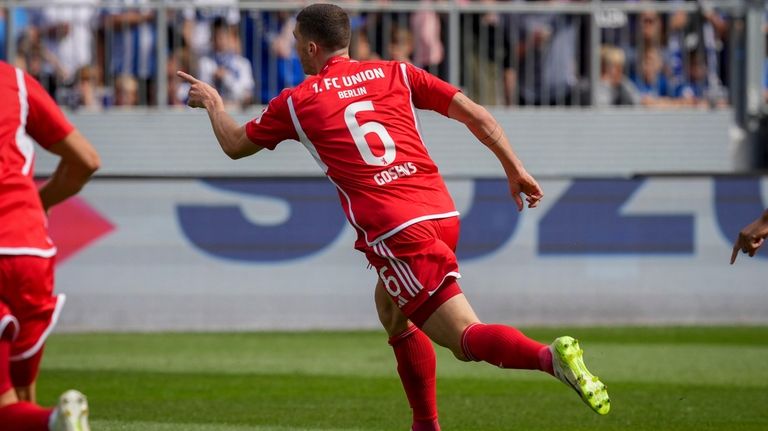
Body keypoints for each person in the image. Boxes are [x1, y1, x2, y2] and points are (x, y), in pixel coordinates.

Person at [178, 3, 610, 429]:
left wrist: (214, 103)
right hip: (440, 212)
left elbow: (235, 144)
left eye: (295, 43)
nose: (294, 50)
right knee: (390, 307)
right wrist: (515, 168)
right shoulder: (395, 72)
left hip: (397, 230)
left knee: (463, 338)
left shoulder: (297, 101)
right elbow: (477, 114)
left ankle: (548, 358)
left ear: (311, 47)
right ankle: (425, 424)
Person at [0, 60, 99, 430]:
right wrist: (38, 204)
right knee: (20, 398)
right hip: (27, 248)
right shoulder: (14, 82)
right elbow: (87, 160)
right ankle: (58, 420)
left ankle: (55, 421)